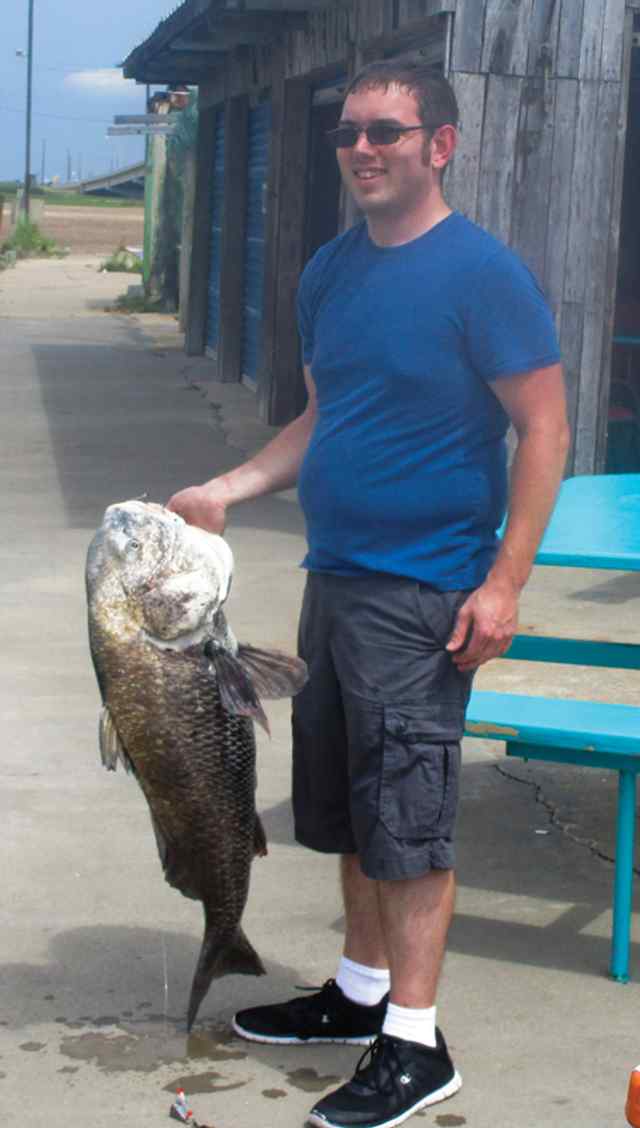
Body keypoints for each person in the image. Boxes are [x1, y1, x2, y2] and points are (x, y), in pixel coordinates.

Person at [168, 61, 569, 1128]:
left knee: (409, 824)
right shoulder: (331, 272)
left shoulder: (482, 274)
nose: (361, 148)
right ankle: (356, 996)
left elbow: (544, 429)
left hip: (424, 591)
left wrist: (502, 582)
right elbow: (323, 420)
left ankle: (415, 1044)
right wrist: (228, 486)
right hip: (333, 578)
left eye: (385, 130)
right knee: (348, 813)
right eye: (347, 132)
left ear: (439, 144)